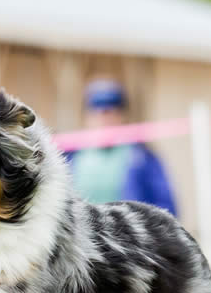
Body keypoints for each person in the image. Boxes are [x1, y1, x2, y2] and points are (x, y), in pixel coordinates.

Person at [69, 79, 178, 216]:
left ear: (123, 115)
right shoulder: (70, 157)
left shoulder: (142, 158)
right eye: (97, 110)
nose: (104, 118)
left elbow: (166, 209)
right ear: (86, 115)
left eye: (112, 111)